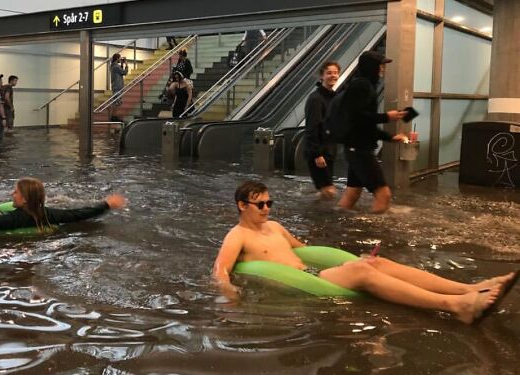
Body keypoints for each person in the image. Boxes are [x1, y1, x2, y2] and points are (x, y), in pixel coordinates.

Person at [213, 181, 515, 324]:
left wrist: (352, 260)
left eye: (270, 203)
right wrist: (231, 299)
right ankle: (454, 305)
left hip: (312, 273)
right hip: (299, 284)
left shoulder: (276, 227)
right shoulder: (237, 236)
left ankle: (472, 288)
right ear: (242, 205)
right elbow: (220, 271)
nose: (267, 209)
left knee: (376, 261)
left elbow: (307, 252)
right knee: (362, 270)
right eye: (261, 205)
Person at [337, 51, 407, 213]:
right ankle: (374, 234)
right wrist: (386, 117)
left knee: (353, 193)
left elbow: (365, 125)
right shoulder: (362, 86)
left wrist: (390, 137)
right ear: (371, 66)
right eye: (380, 65)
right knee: (384, 195)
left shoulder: (364, 85)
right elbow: (357, 117)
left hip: (356, 147)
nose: (383, 68)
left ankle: (336, 225)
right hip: (359, 149)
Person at [0, 177, 126, 233]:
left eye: (15, 191)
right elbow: (78, 214)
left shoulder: (15, 219)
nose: (11, 194)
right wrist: (106, 204)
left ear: (24, 200)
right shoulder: (48, 213)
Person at [304, 61, 341, 199]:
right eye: (329, 73)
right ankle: (319, 218)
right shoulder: (315, 99)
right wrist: (317, 154)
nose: (333, 75)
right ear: (322, 76)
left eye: (335, 73)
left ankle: (320, 216)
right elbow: (312, 127)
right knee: (328, 191)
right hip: (318, 153)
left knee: (326, 190)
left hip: (329, 151)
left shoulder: (334, 97)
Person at [110, 53, 128, 121]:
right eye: (120, 58)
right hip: (117, 86)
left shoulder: (113, 66)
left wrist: (122, 64)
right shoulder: (116, 66)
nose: (121, 60)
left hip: (115, 85)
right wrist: (126, 64)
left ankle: (114, 116)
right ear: (117, 58)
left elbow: (120, 71)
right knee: (116, 102)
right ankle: (113, 116)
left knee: (117, 102)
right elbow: (124, 72)